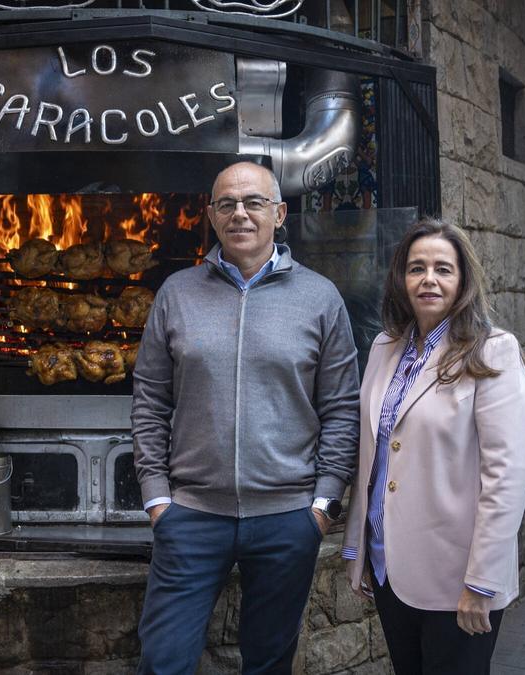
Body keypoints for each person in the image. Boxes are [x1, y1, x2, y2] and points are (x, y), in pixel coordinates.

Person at [132, 160, 360, 674]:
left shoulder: (320, 298)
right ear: (210, 216)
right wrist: (157, 497)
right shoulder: (176, 293)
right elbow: (148, 398)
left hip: (287, 518)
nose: (240, 214)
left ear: (279, 214)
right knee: (163, 661)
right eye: (227, 204)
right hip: (191, 516)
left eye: (254, 202)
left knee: (269, 662)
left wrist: (324, 503)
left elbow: (343, 407)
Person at [341, 218, 525, 674]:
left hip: (459, 576)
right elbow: (372, 454)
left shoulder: (493, 353)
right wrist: (357, 549)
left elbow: (507, 475)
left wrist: (483, 581)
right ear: (401, 278)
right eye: (416, 268)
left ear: (463, 280)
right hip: (390, 567)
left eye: (443, 269)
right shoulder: (385, 347)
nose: (428, 279)